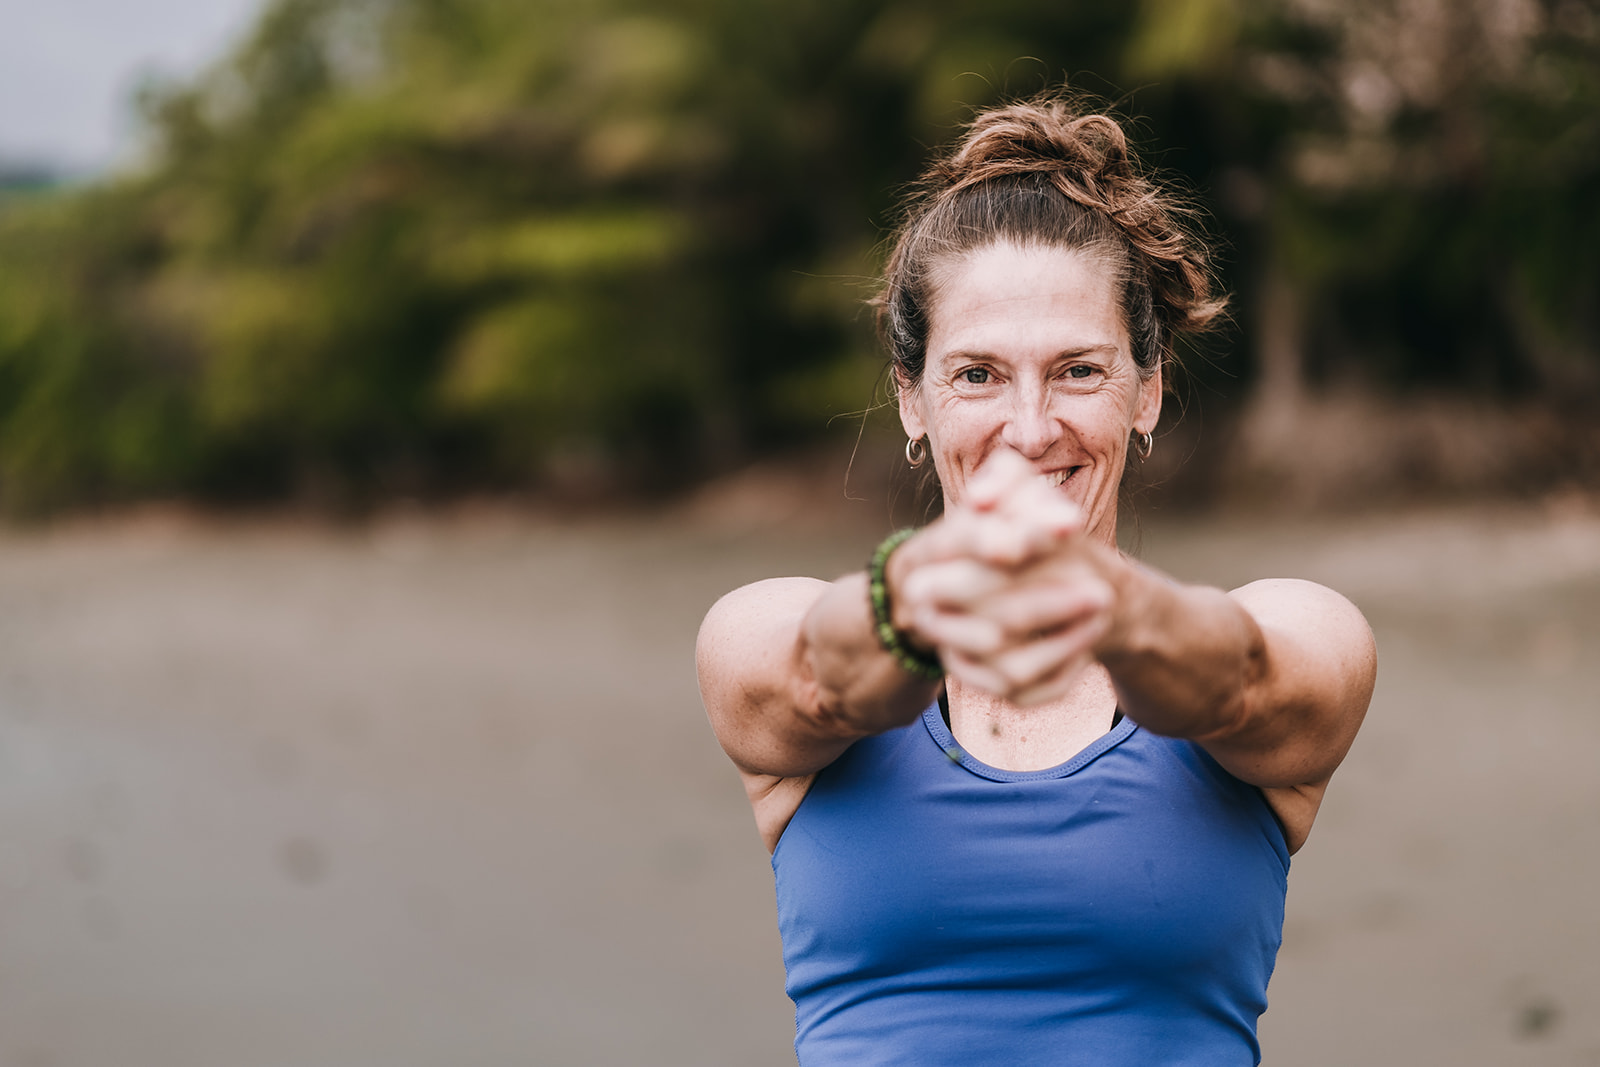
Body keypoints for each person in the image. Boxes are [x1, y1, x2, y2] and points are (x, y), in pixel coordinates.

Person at [695, 93, 1376, 1066]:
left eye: (1077, 371)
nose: (1027, 427)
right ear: (911, 399)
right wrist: (923, 592)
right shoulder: (759, 627)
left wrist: (1103, 597)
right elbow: (817, 672)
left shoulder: (1299, 623)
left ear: (1148, 389)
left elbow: (1239, 680)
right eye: (976, 374)